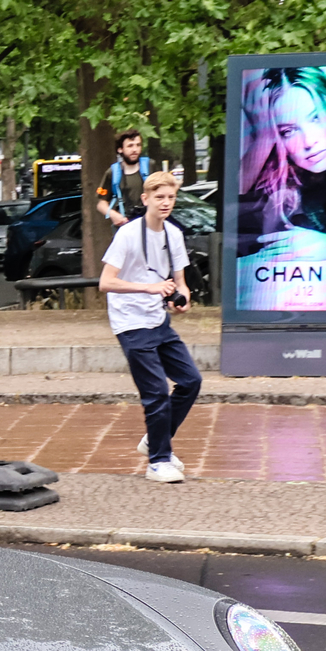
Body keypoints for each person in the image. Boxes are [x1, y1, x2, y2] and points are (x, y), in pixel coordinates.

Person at [99, 170, 199, 483]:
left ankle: (156, 441)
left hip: (158, 320)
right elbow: (106, 282)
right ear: (146, 200)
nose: (166, 202)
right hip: (130, 321)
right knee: (155, 391)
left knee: (191, 380)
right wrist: (149, 288)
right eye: (159, 197)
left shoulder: (173, 235)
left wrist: (181, 301)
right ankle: (157, 462)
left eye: (170, 197)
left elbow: (180, 282)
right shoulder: (127, 234)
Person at [238, 66, 326, 240]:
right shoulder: (288, 201)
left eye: (315, 118)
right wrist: (263, 136)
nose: (309, 142)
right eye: (288, 131)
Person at [94, 129, 151, 232]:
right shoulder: (112, 172)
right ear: (120, 149)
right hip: (125, 227)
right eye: (130, 146)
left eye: (138, 145)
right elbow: (101, 203)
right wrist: (113, 215)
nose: (135, 149)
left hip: (149, 225)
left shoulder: (150, 166)